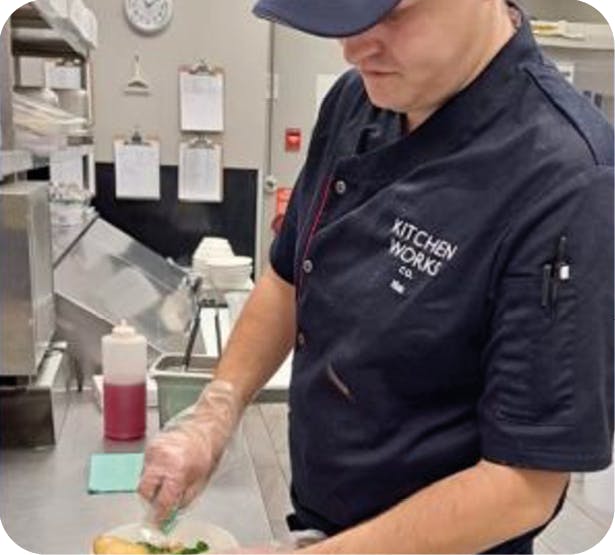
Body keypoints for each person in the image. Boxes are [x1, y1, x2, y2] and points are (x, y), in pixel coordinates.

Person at [139, 0, 614, 552]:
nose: (353, 49)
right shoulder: (356, 99)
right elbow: (286, 279)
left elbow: (525, 486)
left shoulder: (569, 175)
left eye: (391, 14)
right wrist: (214, 413)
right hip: (321, 526)